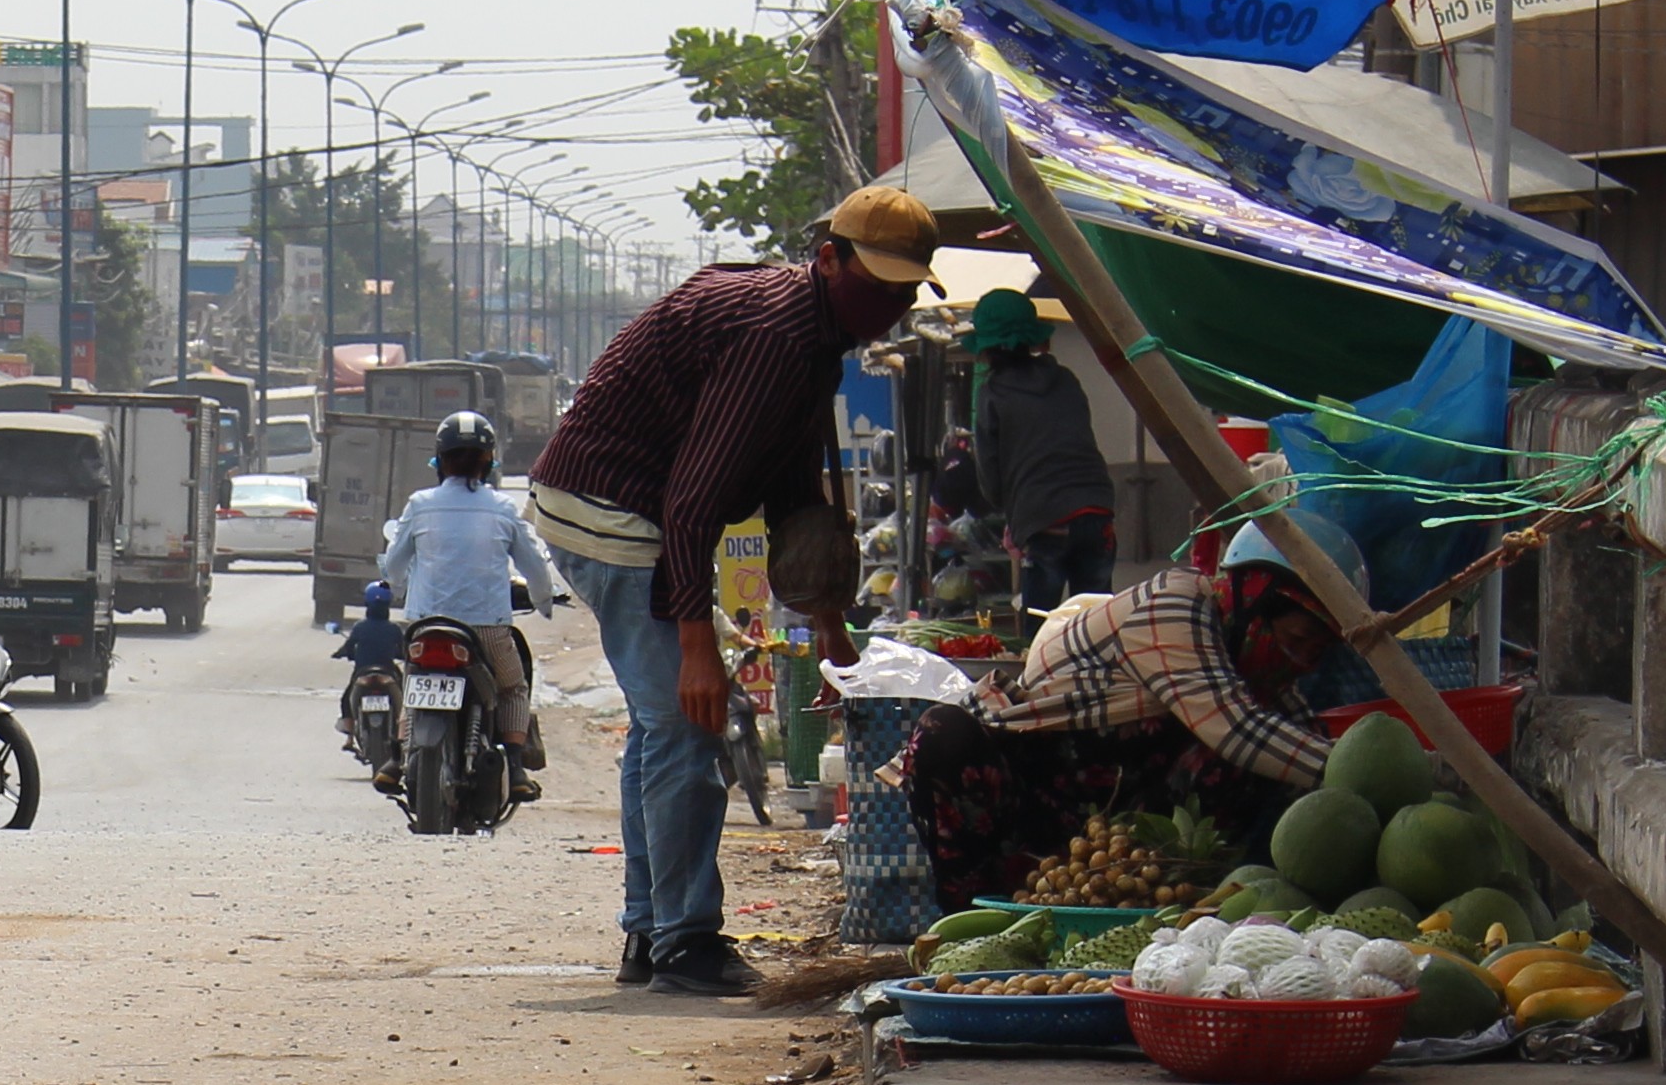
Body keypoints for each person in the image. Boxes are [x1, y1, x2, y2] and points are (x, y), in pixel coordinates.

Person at [527, 185, 932, 993]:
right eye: (875, 284)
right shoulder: (777, 333)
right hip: (615, 508)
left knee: (661, 728)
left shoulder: (818, 332)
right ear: (829, 259)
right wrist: (697, 649)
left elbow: (790, 488)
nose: (887, 305)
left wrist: (830, 627)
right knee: (686, 719)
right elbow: (692, 501)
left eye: (904, 291)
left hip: (626, 506)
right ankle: (685, 940)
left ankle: (652, 932)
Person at [894, 522, 1343, 908]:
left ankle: (1174, 905)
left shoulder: (1258, 679)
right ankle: (964, 919)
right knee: (943, 734)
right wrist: (1347, 769)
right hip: (1029, 795)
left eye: (1315, 653)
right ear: (1253, 604)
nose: (1300, 661)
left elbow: (1296, 738)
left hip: (1112, 851)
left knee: (1263, 770)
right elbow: (1236, 726)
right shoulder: (1176, 603)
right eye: (1296, 638)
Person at [371, 409, 566, 785]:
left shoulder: (419, 504)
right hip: (487, 627)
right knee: (512, 688)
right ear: (489, 461)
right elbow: (535, 568)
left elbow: (394, 565)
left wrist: (394, 587)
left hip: (425, 623)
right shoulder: (502, 507)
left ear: (439, 460)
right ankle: (517, 767)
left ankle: (396, 759)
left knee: (415, 679)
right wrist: (543, 601)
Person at [968, 288, 1116, 616]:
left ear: (987, 348)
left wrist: (1012, 511)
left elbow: (991, 481)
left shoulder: (991, 394)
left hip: (1044, 517)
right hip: (1096, 508)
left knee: (1042, 628)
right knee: (1097, 624)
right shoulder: (1065, 379)